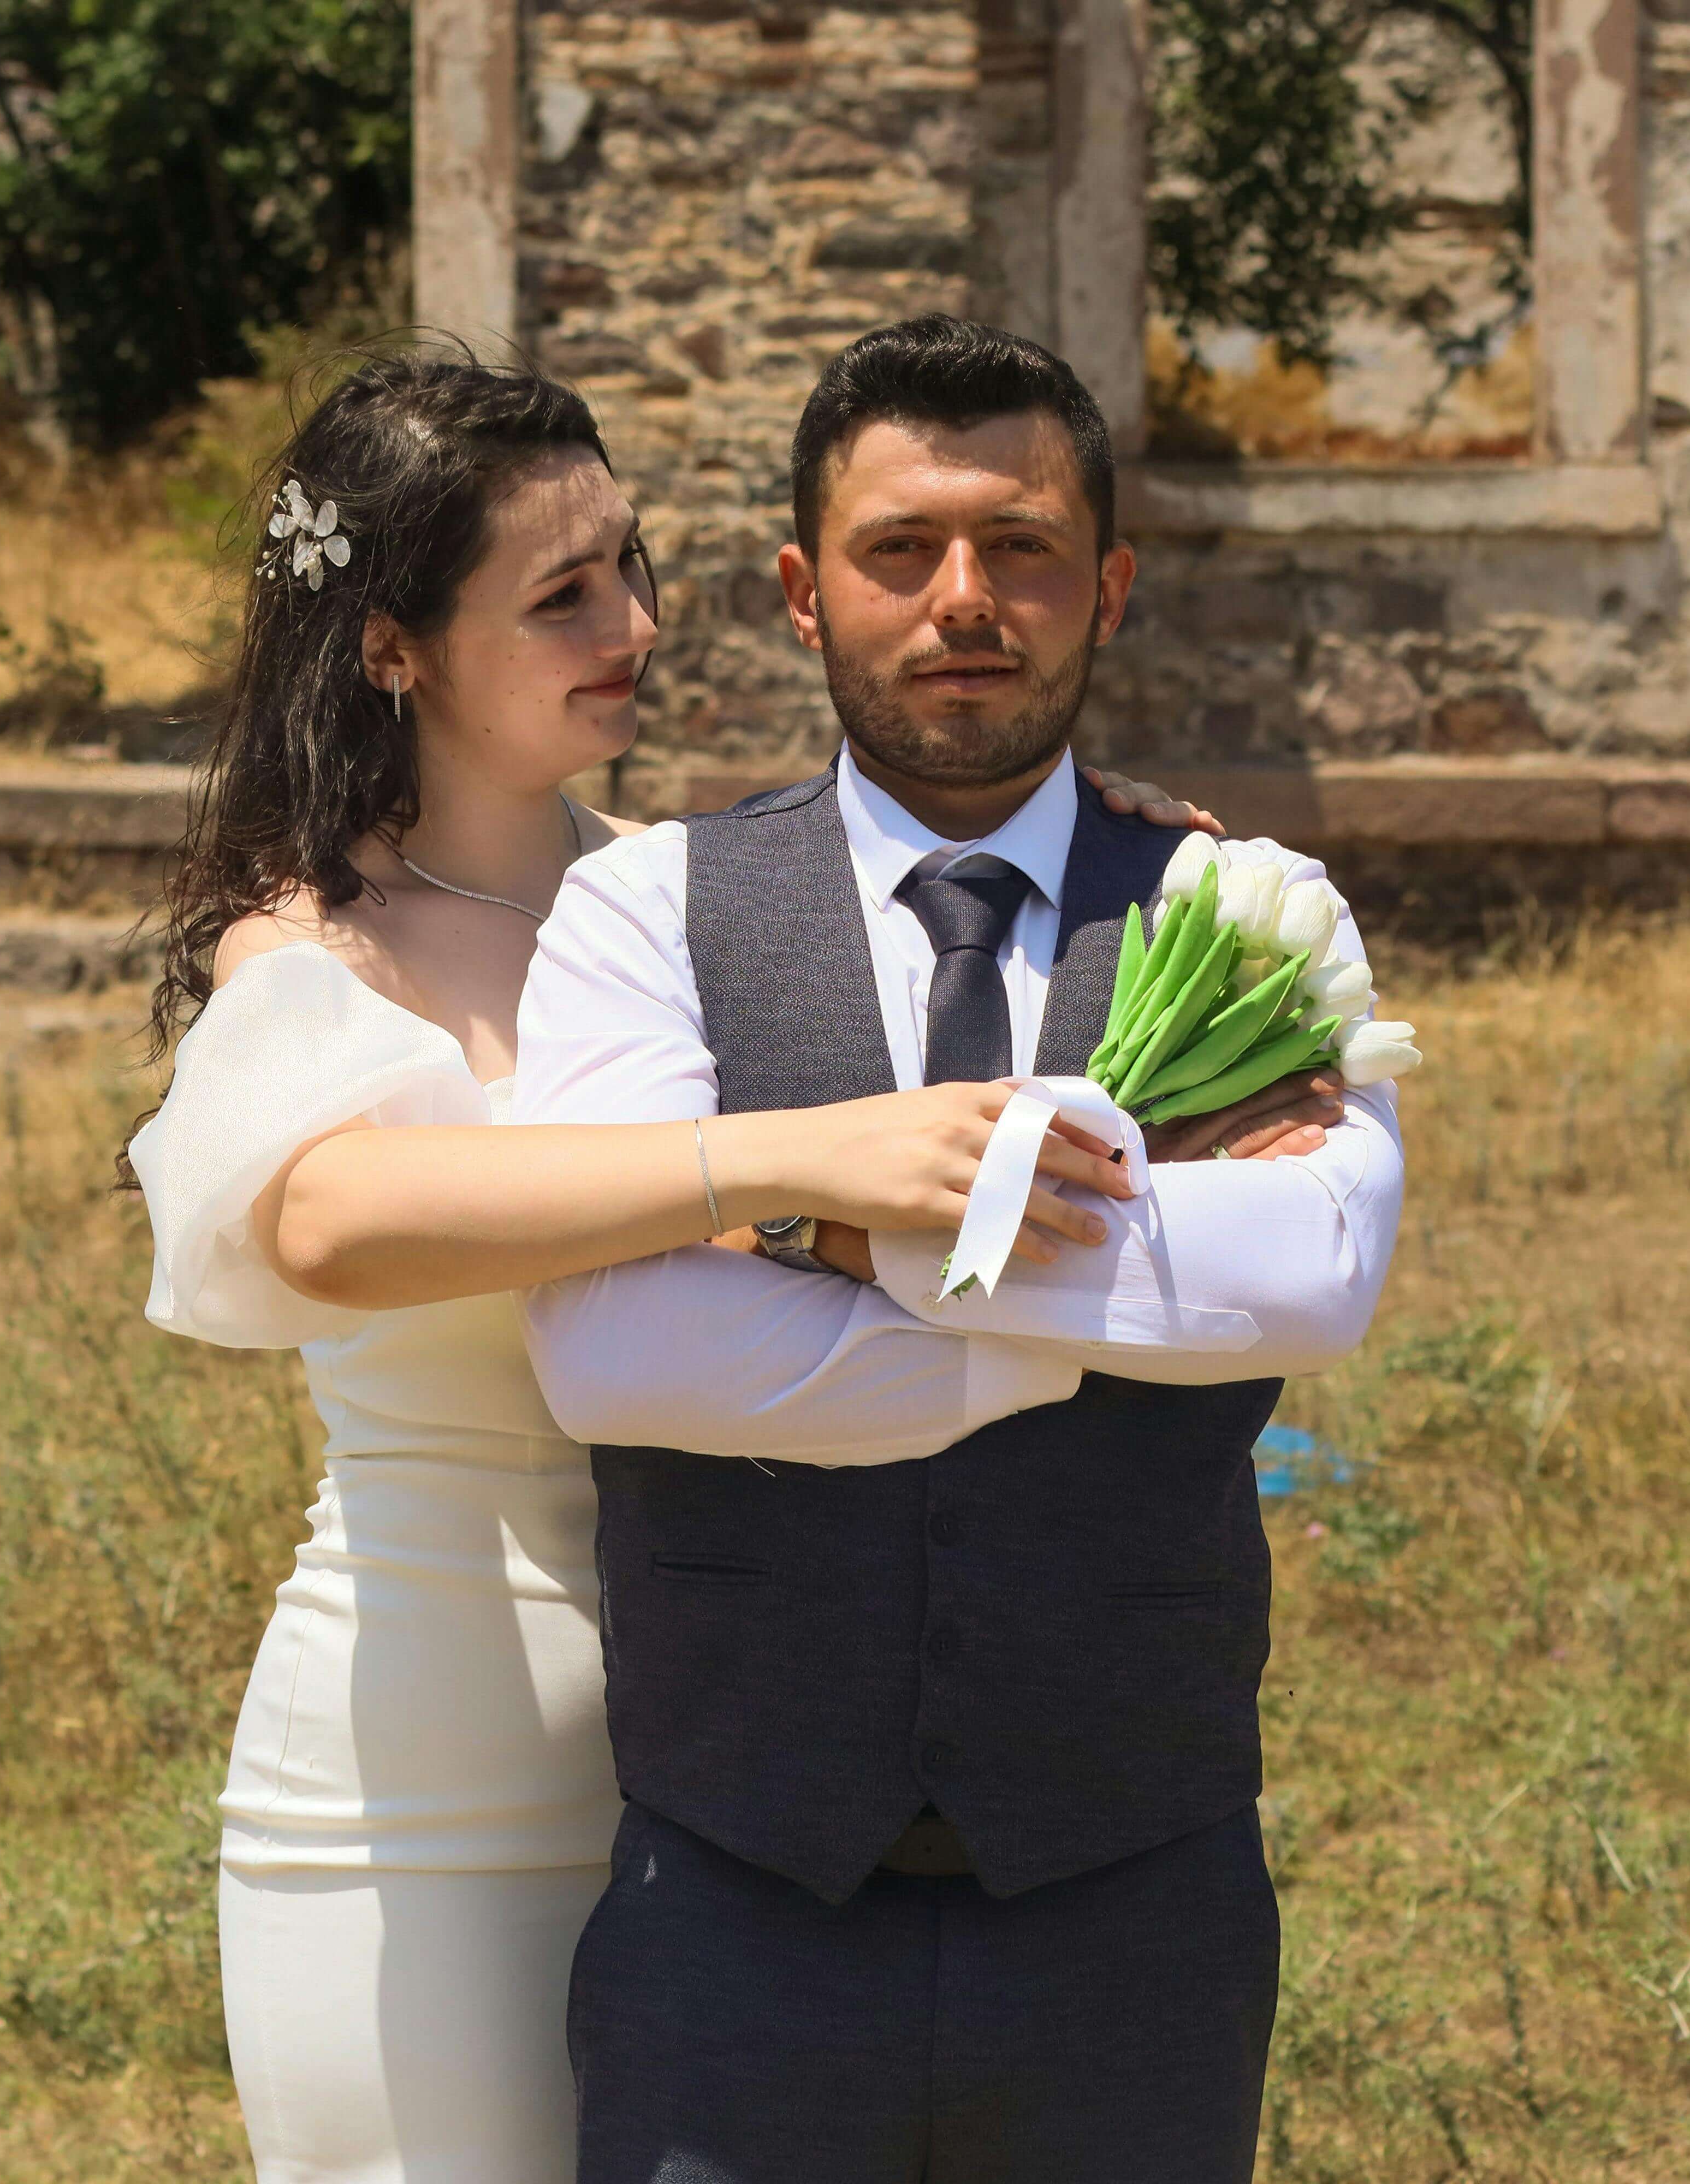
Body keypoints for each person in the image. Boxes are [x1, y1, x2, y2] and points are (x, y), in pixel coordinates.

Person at [126, 348, 1332, 2184]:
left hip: (714, 1750)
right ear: (395, 646)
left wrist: (1094, 853)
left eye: (632, 565)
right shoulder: (311, 932)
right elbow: (326, 1222)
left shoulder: (664, 899)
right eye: (562, 596)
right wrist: (782, 1166)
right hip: (429, 1754)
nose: (635, 623)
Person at [511, 316, 1409, 2182]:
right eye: (900, 550)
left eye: (1023, 548)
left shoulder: (1249, 907)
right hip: (735, 1891)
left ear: (1112, 585)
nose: (964, 601)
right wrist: (1135, 1219)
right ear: (798, 591)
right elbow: (609, 1355)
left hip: (1133, 1891)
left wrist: (829, 1236)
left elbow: (1314, 1276)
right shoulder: (642, 909)